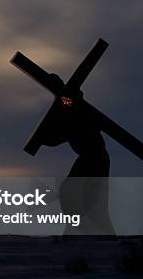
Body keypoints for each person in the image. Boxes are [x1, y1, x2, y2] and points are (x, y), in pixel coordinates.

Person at [41, 74, 115, 234]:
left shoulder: (74, 107)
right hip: (88, 157)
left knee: (94, 200)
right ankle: (74, 228)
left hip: (96, 157)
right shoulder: (68, 110)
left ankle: (95, 233)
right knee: (71, 191)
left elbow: (58, 134)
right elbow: (55, 138)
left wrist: (46, 135)